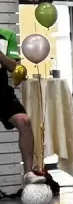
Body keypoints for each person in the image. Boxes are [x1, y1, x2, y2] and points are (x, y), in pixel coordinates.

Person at [0, 29, 43, 184]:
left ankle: (28, 174)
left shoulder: (6, 35)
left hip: (2, 92)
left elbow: (14, 67)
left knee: (24, 121)